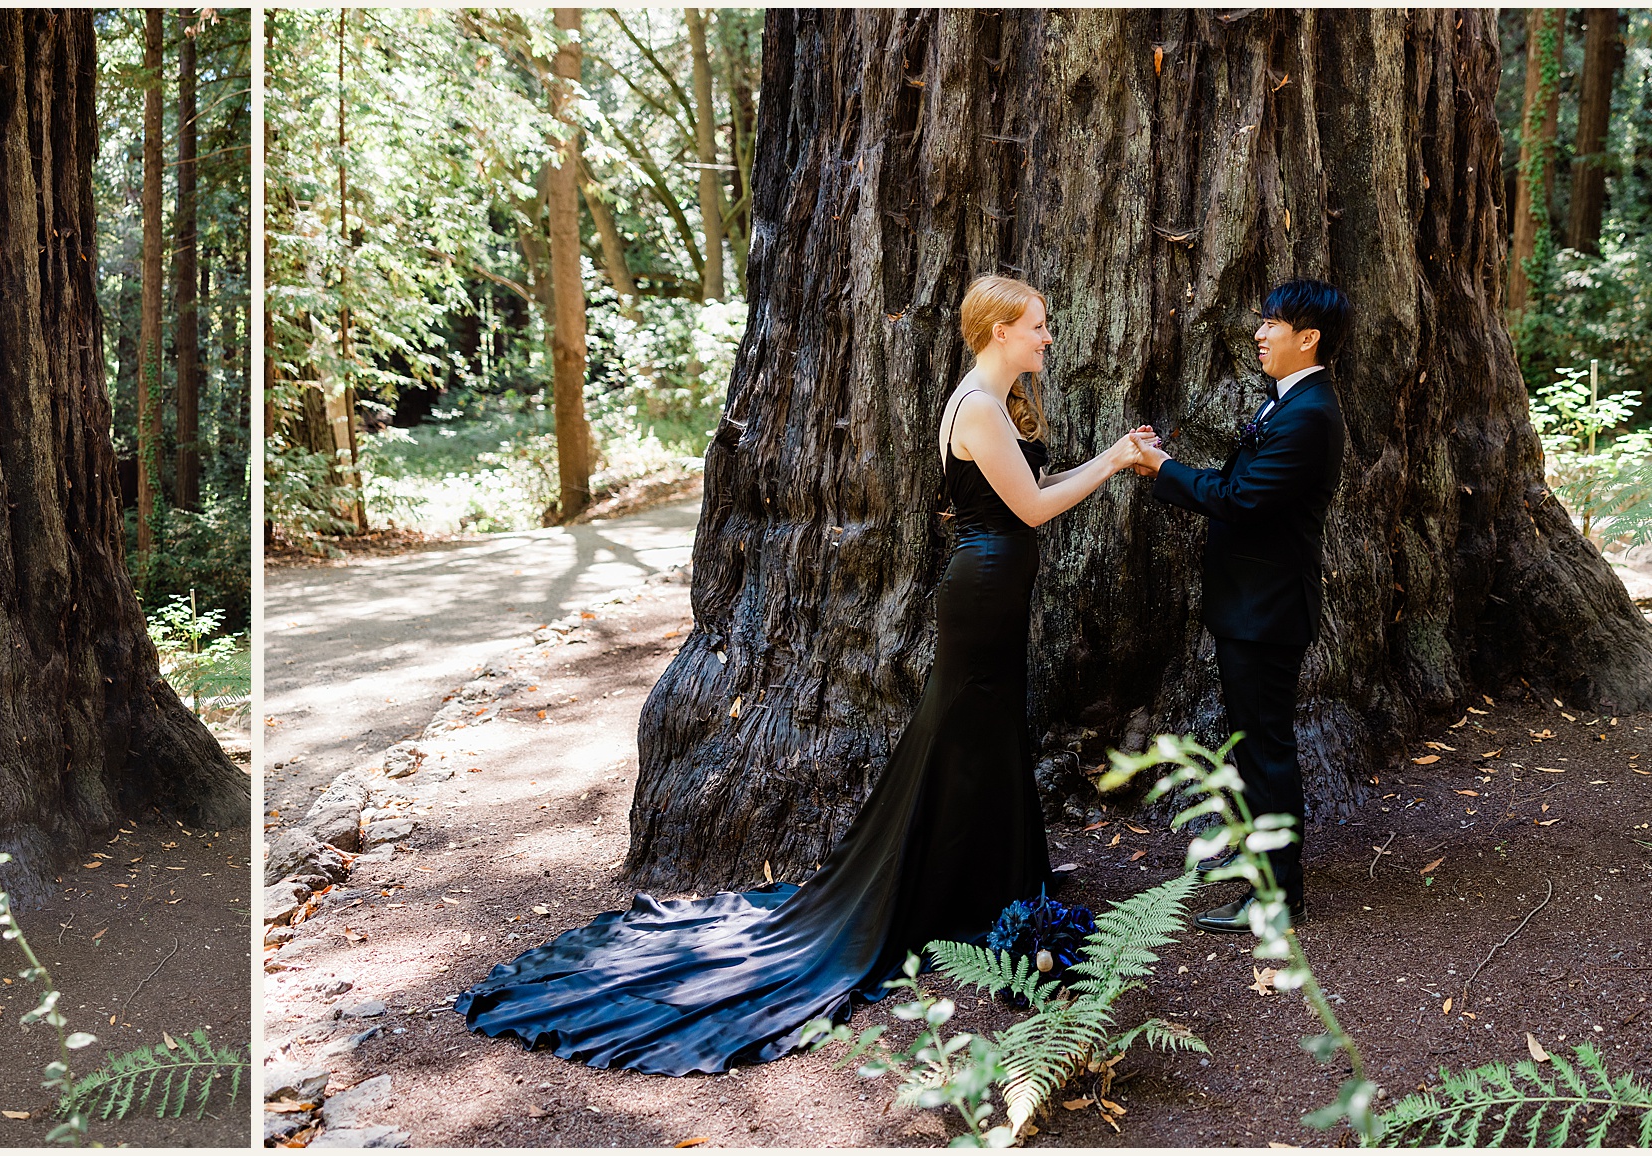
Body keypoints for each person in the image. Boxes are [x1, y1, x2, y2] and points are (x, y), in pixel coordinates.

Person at [458, 275, 1151, 1075]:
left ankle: (992, 883)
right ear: (998, 331)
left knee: (984, 733)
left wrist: (1110, 457)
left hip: (996, 586)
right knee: (967, 730)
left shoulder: (991, 402)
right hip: (985, 589)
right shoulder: (978, 408)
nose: (1048, 336)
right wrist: (1114, 458)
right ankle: (947, 893)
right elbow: (1029, 508)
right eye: (1038, 325)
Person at [1130, 278, 1351, 934]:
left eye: (1273, 324)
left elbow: (1241, 498)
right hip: (1253, 607)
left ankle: (1278, 899)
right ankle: (1268, 882)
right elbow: (1237, 485)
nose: (1259, 333)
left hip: (1268, 612)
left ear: (1307, 336)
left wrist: (1163, 470)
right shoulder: (1290, 402)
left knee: (1265, 754)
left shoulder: (1309, 413)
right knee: (1258, 751)